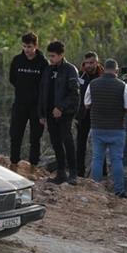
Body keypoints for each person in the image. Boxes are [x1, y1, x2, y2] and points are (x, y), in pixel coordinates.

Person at [84, 59, 127, 198]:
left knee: (97, 159)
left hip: (97, 127)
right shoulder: (123, 86)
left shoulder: (93, 84)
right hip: (117, 128)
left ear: (103, 69)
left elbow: (87, 104)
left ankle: (95, 191)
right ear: (116, 71)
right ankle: (119, 191)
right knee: (117, 160)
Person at [38, 40, 80, 184]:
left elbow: (74, 93)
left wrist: (61, 108)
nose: (51, 59)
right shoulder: (48, 70)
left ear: (61, 55)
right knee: (55, 142)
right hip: (50, 113)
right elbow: (42, 92)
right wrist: (42, 113)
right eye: (49, 56)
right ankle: (61, 172)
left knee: (67, 140)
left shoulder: (70, 69)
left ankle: (73, 173)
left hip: (65, 113)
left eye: (53, 56)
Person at [9, 31, 48, 166]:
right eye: (24, 46)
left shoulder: (43, 62)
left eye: (29, 47)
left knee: (35, 137)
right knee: (15, 134)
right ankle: (14, 162)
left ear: (36, 46)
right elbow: (12, 79)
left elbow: (45, 84)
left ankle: (33, 165)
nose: (27, 50)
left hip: (36, 105)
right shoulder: (17, 60)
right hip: (20, 103)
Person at [75, 51, 103, 178]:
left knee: (100, 143)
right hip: (82, 115)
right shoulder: (79, 75)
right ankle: (79, 171)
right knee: (81, 143)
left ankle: (102, 172)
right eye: (87, 63)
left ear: (97, 62)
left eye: (92, 63)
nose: (89, 66)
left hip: (99, 115)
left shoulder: (103, 76)